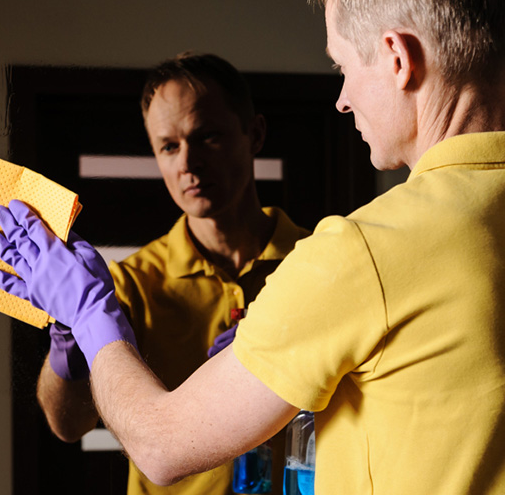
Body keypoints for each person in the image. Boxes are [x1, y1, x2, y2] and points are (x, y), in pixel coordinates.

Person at [0, 0, 505, 494]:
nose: (343, 99)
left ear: (399, 59)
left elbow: (162, 447)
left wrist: (90, 312)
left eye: (343, 67)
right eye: (168, 147)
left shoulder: (355, 258)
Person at [33, 52, 309, 495]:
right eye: (169, 146)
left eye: (208, 137)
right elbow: (68, 425)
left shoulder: (316, 264)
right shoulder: (130, 283)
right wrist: (68, 341)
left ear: (254, 134)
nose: (187, 163)